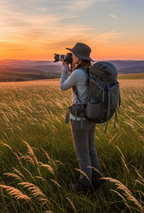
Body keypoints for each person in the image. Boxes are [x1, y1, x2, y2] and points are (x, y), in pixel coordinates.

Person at [60, 42, 100, 192]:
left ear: (80, 57)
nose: (72, 56)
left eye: (74, 54)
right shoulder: (90, 70)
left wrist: (65, 70)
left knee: (82, 153)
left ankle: (84, 185)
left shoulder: (78, 73)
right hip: (91, 115)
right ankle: (95, 178)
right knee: (91, 149)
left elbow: (63, 86)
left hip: (79, 119)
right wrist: (70, 69)